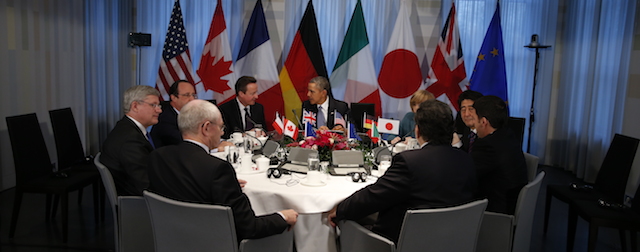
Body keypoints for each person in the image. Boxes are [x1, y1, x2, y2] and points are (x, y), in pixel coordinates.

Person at [147, 99, 298, 241]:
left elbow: (184, 186)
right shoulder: (218, 169)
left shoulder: (157, 157)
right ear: (206, 128)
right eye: (221, 127)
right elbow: (249, 228)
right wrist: (282, 216)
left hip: (170, 239)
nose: (221, 133)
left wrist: (226, 185)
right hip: (213, 242)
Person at [328, 100, 478, 243]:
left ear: (417, 131)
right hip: (454, 241)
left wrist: (341, 210)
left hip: (405, 242)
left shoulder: (409, 162)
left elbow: (374, 196)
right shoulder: (467, 160)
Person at [471, 95, 528, 214]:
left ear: (483, 122)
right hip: (511, 202)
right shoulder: (508, 134)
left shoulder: (487, 146)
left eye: (475, 120)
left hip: (495, 210)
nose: (474, 125)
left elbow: (467, 176)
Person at [101, 85, 161, 196]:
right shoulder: (130, 140)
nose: (159, 110)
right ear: (135, 106)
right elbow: (145, 184)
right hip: (138, 203)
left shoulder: (126, 128)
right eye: (154, 105)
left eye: (158, 105)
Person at [149, 80, 196, 148]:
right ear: (173, 98)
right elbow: (184, 142)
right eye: (187, 95)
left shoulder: (192, 115)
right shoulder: (165, 119)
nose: (192, 99)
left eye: (193, 95)